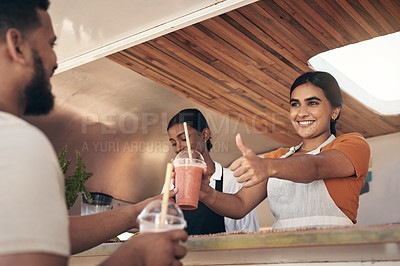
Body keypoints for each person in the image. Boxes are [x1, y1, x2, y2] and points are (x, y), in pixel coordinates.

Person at [0, 1, 187, 265]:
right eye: (50, 45)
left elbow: (42, 232)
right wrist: (136, 255)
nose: (55, 61)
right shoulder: (18, 144)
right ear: (16, 45)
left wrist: (134, 212)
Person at [199, 71, 371, 231]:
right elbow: (240, 204)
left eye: (312, 103)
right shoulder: (277, 158)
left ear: (334, 111)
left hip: (335, 251)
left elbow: (315, 167)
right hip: (282, 251)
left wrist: (266, 166)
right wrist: (207, 194)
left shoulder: (353, 145)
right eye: (295, 104)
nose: (302, 113)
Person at [166, 109, 259, 235]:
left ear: (205, 135)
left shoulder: (232, 180)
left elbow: (249, 234)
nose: (178, 148)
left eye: (183, 139)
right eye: (173, 143)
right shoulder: (171, 182)